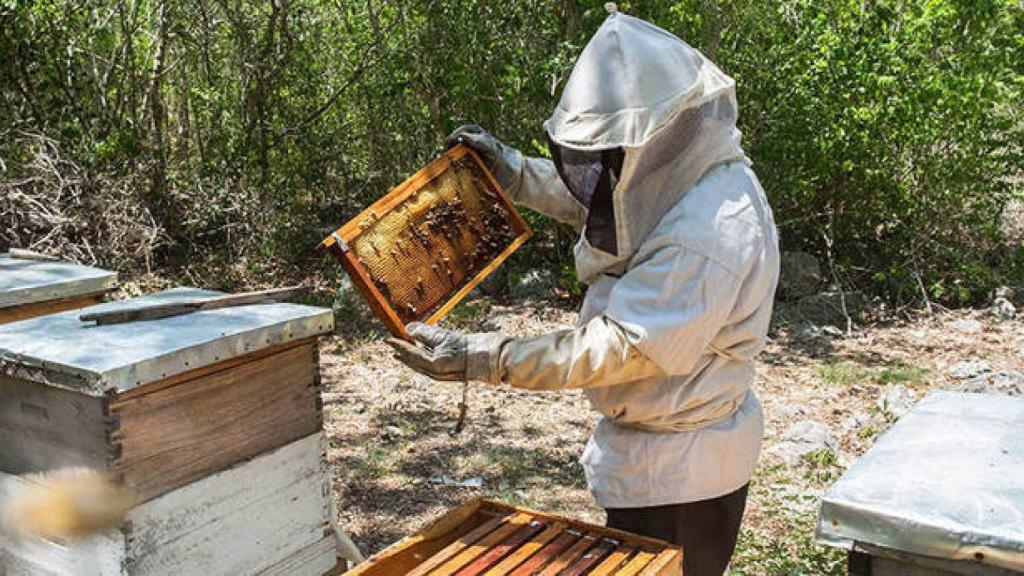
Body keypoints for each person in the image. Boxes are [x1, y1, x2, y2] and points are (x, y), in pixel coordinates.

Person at [388, 6, 779, 575]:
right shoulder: (681, 180)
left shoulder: (710, 232)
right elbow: (613, 204)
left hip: (682, 476)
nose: (602, 168)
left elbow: (622, 346)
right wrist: (517, 174)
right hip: (656, 455)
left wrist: (489, 357)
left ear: (658, 135)